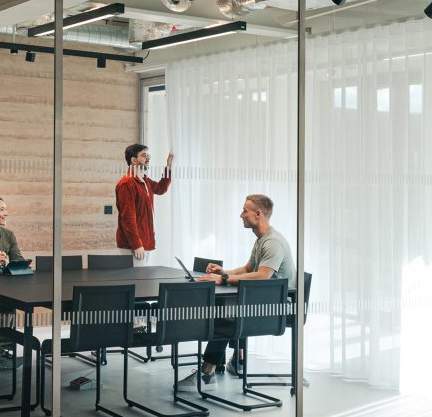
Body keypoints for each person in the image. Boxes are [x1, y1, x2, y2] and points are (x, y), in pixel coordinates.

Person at [179, 194, 296, 389]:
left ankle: (207, 373)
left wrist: (224, 279)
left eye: (244, 210)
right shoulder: (261, 239)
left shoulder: (273, 242)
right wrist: (224, 272)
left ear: (258, 214)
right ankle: (237, 360)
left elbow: (263, 276)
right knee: (226, 309)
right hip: (263, 301)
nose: (241, 215)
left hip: (277, 309)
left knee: (224, 316)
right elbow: (248, 268)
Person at [115, 143, 173, 265]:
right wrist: (136, 244)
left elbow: (161, 188)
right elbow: (127, 219)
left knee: (142, 280)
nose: (148, 158)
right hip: (133, 245)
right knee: (137, 281)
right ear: (134, 160)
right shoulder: (127, 184)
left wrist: (168, 167)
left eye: (148, 155)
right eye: (144, 155)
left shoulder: (145, 181)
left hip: (145, 242)